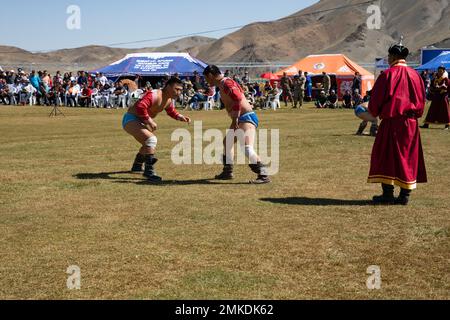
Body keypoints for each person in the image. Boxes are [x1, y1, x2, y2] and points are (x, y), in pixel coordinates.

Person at [367, 40, 427, 205]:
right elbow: (422, 100)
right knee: (408, 156)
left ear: (392, 56)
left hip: (392, 122)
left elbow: (376, 100)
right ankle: (404, 195)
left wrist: (374, 111)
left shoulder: (387, 75)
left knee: (386, 155)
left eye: (389, 55)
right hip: (411, 123)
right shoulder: (416, 75)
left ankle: (388, 194)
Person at [203, 65, 271, 184]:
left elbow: (238, 98)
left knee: (246, 148)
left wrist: (235, 120)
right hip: (241, 117)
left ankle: (264, 174)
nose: (207, 82)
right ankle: (227, 171)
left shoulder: (226, 83)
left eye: (207, 79)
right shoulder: (224, 83)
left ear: (210, 75)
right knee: (227, 142)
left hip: (245, 117)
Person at [122, 77, 191, 182]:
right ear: (168, 86)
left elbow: (171, 111)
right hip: (131, 119)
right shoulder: (155, 94)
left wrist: (180, 117)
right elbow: (141, 106)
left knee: (148, 143)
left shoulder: (168, 99)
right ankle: (149, 172)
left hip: (140, 121)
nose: (179, 92)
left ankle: (137, 165)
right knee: (151, 140)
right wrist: (149, 121)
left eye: (180, 90)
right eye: (177, 89)